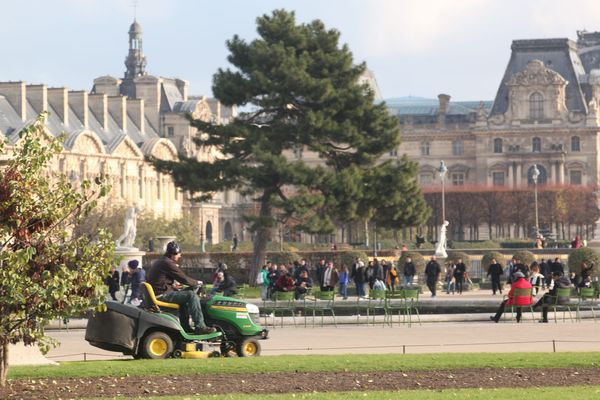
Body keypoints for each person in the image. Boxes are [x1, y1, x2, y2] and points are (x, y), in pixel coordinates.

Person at [146, 241, 216, 334]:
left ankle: (185, 327)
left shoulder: (162, 261)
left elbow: (165, 280)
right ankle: (200, 326)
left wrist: (178, 286)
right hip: (162, 295)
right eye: (179, 254)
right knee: (191, 295)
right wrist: (198, 282)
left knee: (187, 294)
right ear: (174, 253)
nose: (180, 256)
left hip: (160, 292)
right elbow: (184, 278)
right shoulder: (168, 263)